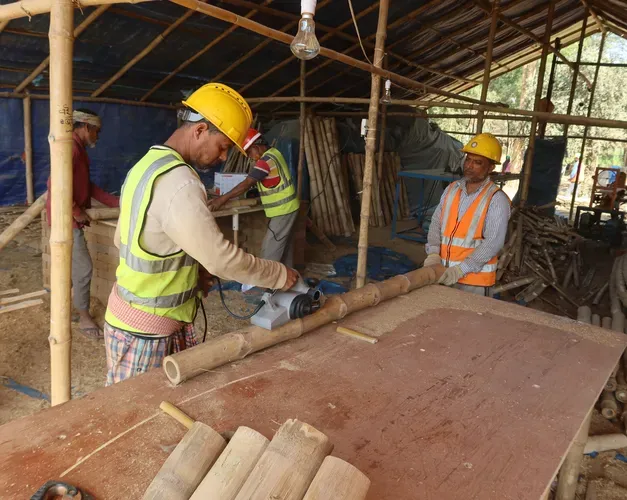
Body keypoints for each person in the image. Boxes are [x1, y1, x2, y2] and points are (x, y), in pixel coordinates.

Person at [103, 84, 298, 385]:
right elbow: (222, 259)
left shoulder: (146, 166)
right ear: (200, 130)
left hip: (134, 312)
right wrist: (278, 274)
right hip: (146, 326)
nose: (222, 158)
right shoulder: (180, 182)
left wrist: (191, 274)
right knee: (137, 418)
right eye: (222, 147)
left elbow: (126, 240)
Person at [45, 109, 119, 340]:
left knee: (69, 268)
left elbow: (88, 185)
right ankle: (84, 317)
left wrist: (117, 202)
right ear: (86, 127)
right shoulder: (71, 149)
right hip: (65, 220)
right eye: (97, 131)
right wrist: (76, 212)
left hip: (66, 217)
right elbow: (55, 184)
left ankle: (66, 308)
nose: (97, 136)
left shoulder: (77, 149)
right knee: (84, 268)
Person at [208, 129, 300, 292]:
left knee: (271, 249)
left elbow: (247, 183)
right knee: (285, 248)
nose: (250, 156)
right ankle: (289, 281)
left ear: (257, 146)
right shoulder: (274, 153)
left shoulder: (265, 161)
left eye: (249, 151)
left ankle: (268, 288)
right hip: (287, 207)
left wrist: (222, 199)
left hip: (283, 209)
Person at [423, 133, 511, 296]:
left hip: (474, 282)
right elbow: (436, 223)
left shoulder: (496, 200)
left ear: (491, 168)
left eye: (477, 162)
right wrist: (434, 253)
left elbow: (493, 243)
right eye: (468, 160)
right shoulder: (451, 189)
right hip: (443, 273)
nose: (469, 166)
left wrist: (460, 270)